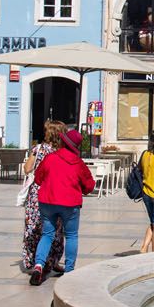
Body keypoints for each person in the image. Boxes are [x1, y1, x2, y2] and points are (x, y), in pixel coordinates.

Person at [30, 127, 95, 285]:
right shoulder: (78, 163)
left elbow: (38, 178)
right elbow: (89, 185)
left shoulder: (51, 158)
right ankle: (69, 270)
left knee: (47, 234)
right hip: (70, 204)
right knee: (71, 235)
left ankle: (38, 265)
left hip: (48, 201)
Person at [21, 121, 64, 273]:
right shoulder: (62, 151)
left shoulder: (38, 149)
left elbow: (27, 169)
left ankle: (33, 261)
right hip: (55, 193)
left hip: (37, 194)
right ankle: (53, 261)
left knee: (34, 228)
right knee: (56, 228)